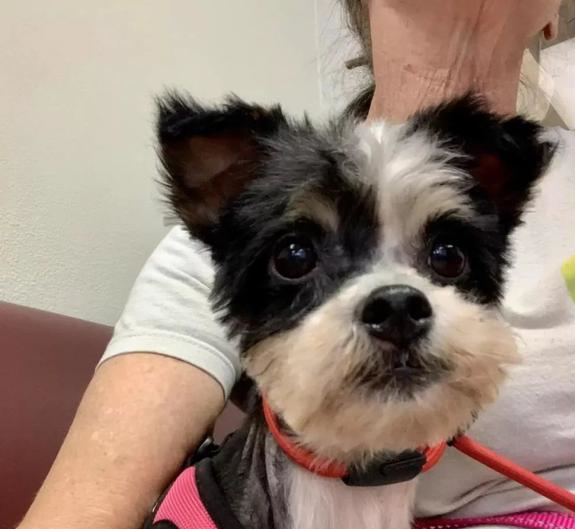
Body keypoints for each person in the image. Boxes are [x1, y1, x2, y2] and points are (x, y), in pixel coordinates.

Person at [18, 1, 575, 528]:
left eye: (445, 259)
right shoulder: (254, 203)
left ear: (555, 14)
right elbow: (83, 507)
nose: (398, 300)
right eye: (297, 259)